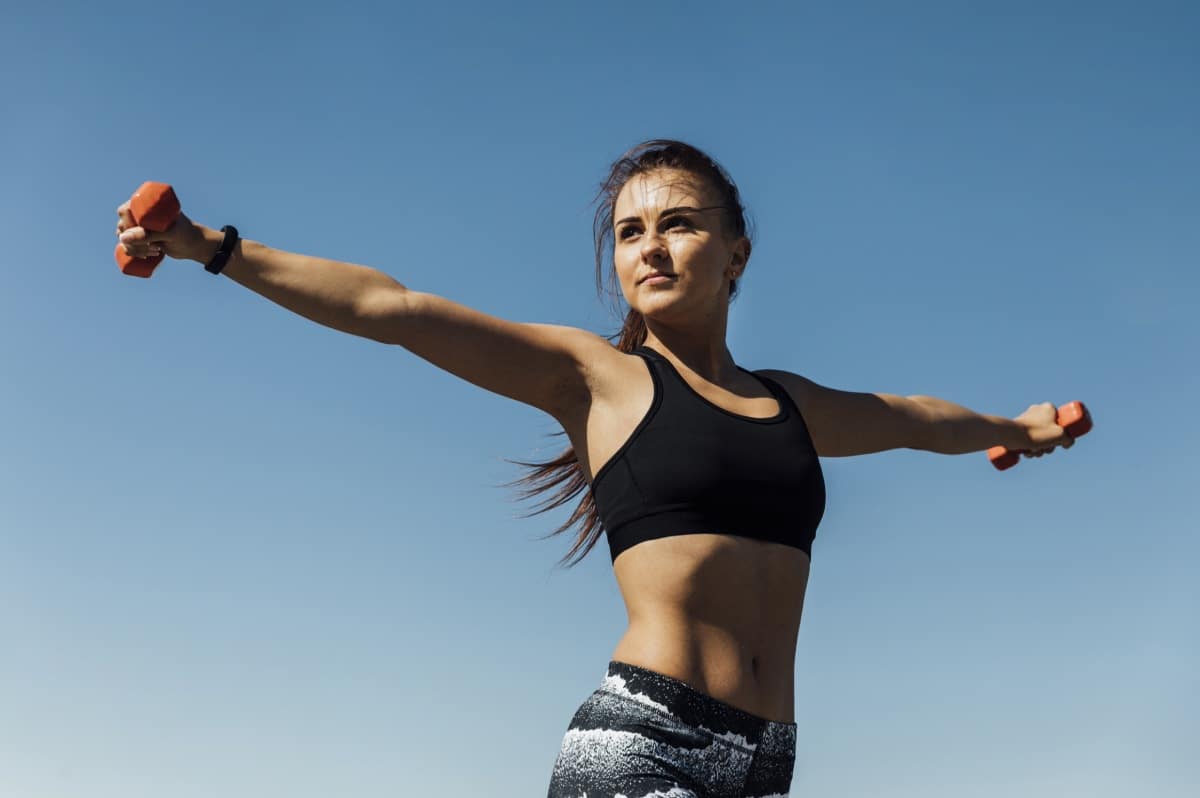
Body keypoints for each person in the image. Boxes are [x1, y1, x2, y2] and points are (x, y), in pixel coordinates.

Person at [115, 139, 1076, 798]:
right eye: (629, 232)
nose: (651, 246)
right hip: (645, 736)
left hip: (766, 759)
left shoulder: (791, 402)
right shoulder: (597, 380)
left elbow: (914, 420)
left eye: (679, 224)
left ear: (737, 252)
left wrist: (1018, 430)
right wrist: (213, 247)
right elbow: (391, 308)